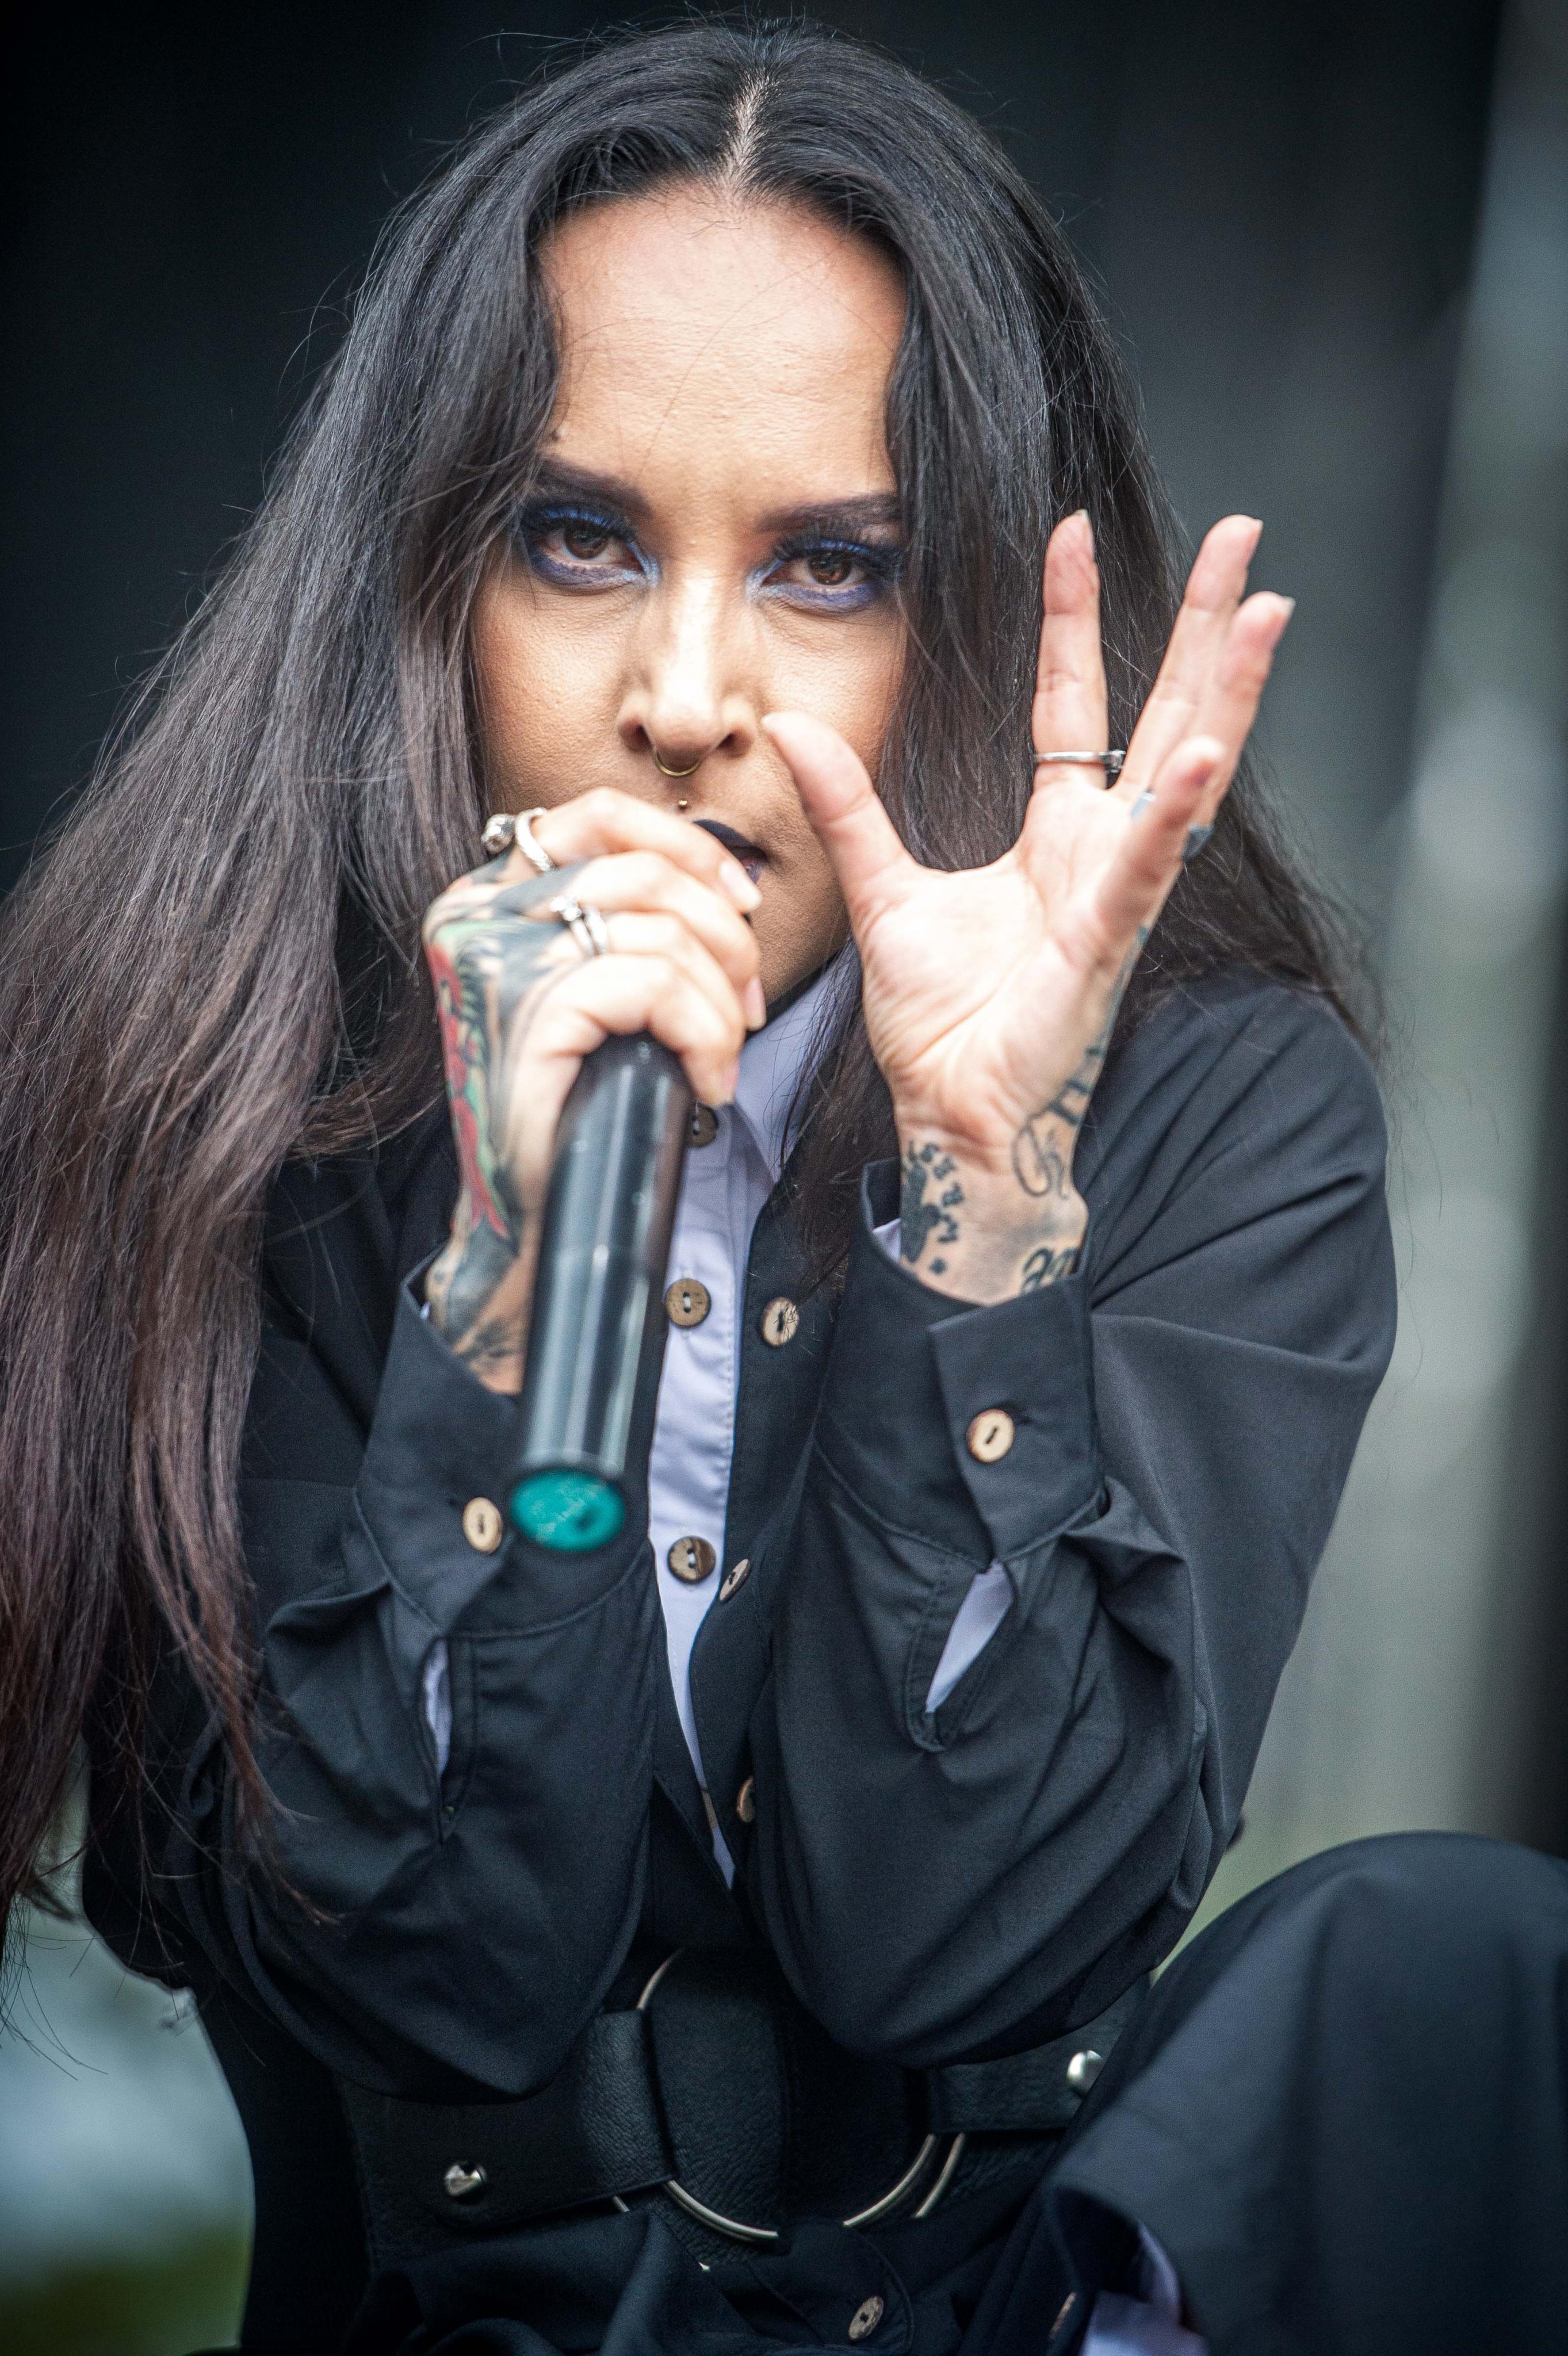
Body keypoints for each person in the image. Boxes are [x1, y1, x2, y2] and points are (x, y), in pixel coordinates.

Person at [2, 21, 1564, 2356]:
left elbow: (957, 1943)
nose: (685, 691)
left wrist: (982, 1195)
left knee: (1445, 1963)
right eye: (580, 538)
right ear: (423, 579)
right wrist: (528, 1268)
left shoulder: (1217, 1107)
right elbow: (438, 1964)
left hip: (1026, 2304)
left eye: (831, 567)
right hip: (470, 2318)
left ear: (968, 615)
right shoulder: (200, 1079)